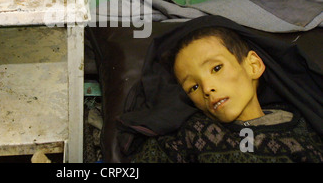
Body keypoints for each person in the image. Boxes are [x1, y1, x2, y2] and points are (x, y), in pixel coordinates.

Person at [130, 26, 323, 163]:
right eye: (193, 87)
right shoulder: (193, 133)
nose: (206, 88)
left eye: (216, 68)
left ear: (253, 65)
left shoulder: (305, 129)